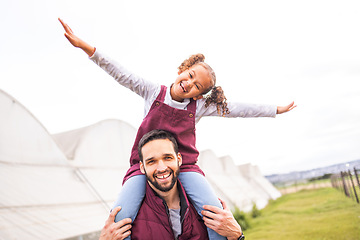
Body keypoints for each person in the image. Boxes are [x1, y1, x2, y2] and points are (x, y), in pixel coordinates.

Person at [59, 18, 295, 240]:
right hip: (145, 166)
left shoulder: (199, 107)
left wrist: (275, 109)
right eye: (190, 75)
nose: (189, 83)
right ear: (184, 68)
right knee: (120, 217)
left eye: (197, 86)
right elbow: (120, 73)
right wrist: (86, 48)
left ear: (199, 94)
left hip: (186, 167)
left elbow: (238, 109)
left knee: (214, 214)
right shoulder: (153, 93)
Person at [99, 129, 244, 240]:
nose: (161, 168)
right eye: (151, 161)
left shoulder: (207, 210)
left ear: (179, 159)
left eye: (167, 158)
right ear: (142, 167)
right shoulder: (129, 220)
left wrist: (237, 236)